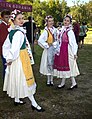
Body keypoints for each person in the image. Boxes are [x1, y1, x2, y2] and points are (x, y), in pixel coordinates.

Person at [2, 9, 44, 112]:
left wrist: (8, 57)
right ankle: (34, 104)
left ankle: (17, 99)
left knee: (17, 78)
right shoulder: (18, 33)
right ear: (14, 21)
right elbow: (14, 48)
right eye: (19, 19)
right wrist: (10, 58)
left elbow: (6, 46)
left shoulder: (12, 32)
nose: (21, 20)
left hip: (16, 59)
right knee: (25, 80)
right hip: (20, 58)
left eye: (22, 18)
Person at [53, 15, 80, 90]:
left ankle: (72, 83)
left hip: (68, 50)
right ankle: (65, 83)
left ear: (70, 22)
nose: (66, 22)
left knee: (69, 66)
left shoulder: (70, 31)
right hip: (62, 49)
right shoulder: (63, 30)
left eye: (68, 21)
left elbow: (73, 43)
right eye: (65, 20)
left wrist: (74, 53)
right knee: (64, 66)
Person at [38, 15, 58, 86]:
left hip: (54, 48)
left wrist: (56, 44)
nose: (51, 22)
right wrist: (46, 45)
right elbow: (40, 40)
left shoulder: (55, 30)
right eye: (49, 21)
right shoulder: (46, 31)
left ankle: (52, 80)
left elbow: (58, 39)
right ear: (47, 22)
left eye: (52, 21)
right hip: (48, 49)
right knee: (48, 63)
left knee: (53, 63)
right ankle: (48, 80)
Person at [0, 9, 10, 81]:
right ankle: (5, 82)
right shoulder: (2, 26)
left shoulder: (8, 25)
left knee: (8, 66)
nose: (8, 19)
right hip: (4, 50)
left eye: (8, 17)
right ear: (2, 18)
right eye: (6, 17)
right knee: (6, 66)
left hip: (8, 49)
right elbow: (3, 39)